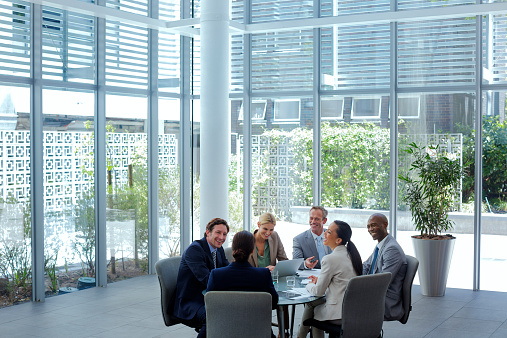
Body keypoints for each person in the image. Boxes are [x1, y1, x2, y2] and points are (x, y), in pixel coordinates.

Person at [207, 231, 279, 337]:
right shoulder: (263, 274)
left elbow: (210, 305)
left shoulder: (216, 275)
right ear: (253, 250)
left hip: (224, 331)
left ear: (233, 248)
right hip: (258, 331)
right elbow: (273, 303)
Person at [297, 220, 362, 338]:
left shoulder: (330, 259)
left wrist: (309, 285)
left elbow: (318, 292)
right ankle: (300, 336)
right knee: (313, 305)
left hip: (338, 314)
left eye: (329, 232)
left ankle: (300, 336)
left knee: (313, 306)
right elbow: (341, 280)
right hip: (353, 310)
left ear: (338, 240)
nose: (324, 233)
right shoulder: (351, 255)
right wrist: (320, 281)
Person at [172, 218, 230, 338]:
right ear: (208, 232)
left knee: (234, 310)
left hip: (210, 297)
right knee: (213, 316)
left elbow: (228, 270)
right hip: (192, 301)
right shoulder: (195, 249)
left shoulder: (218, 249)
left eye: (224, 234)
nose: (222, 237)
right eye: (218, 232)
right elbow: (207, 279)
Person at [362, 213, 407, 321]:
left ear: (385, 225)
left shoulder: (391, 249)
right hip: (376, 294)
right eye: (368, 226)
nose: (370, 229)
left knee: (344, 302)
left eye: (373, 225)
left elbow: (382, 281)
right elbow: (366, 266)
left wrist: (358, 285)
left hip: (386, 302)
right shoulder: (381, 245)